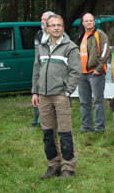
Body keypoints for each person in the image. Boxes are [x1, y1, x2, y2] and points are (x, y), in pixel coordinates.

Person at [31, 14, 82, 179]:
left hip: (60, 95)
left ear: (63, 28)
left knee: (65, 132)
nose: (56, 28)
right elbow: (37, 70)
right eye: (53, 25)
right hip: (43, 96)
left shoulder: (70, 47)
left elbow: (76, 72)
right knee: (47, 133)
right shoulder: (42, 46)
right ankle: (53, 166)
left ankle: (68, 168)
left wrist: (67, 91)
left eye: (59, 25)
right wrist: (35, 91)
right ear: (47, 28)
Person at [76, 13, 110, 133]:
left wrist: (98, 69)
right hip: (82, 73)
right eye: (86, 21)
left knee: (98, 101)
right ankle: (86, 127)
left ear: (94, 22)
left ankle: (100, 128)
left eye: (91, 20)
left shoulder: (100, 34)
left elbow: (106, 52)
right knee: (84, 102)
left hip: (95, 73)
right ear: (83, 23)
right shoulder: (81, 36)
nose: (89, 22)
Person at [32, 11, 55, 129]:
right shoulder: (39, 34)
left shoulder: (57, 34)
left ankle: (47, 122)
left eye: (45, 19)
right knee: (36, 92)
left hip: (51, 70)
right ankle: (36, 121)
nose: (42, 21)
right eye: (41, 19)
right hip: (39, 67)